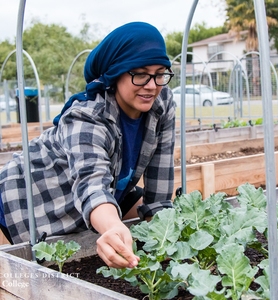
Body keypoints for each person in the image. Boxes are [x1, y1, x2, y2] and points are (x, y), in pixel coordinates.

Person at [0, 21, 175, 268]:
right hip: (27, 199)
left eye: (160, 74)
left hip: (104, 192)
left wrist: (166, 235)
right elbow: (91, 184)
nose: (152, 85)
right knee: (30, 273)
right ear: (116, 72)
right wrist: (113, 227)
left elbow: (159, 188)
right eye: (141, 74)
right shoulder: (86, 117)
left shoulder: (161, 103)